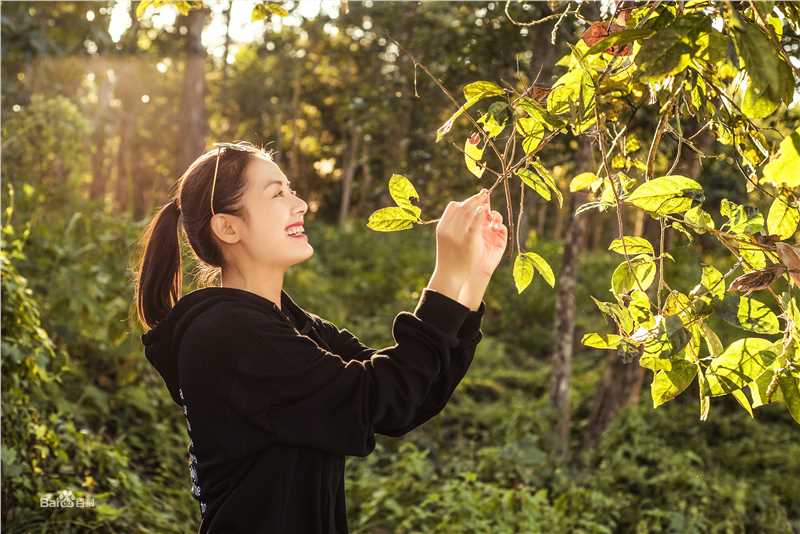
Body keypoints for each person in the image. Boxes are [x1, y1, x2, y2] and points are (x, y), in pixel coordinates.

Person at [134, 140, 508, 533]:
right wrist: (445, 277)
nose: (301, 205)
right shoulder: (227, 334)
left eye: (291, 190)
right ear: (228, 227)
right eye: (277, 193)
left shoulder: (294, 326)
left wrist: (473, 279)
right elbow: (377, 396)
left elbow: (408, 397)